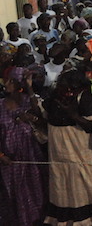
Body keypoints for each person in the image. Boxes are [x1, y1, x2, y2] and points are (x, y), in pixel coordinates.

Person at [42, 70, 92, 225]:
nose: (61, 85)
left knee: (85, 186)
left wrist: (74, 116)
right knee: (61, 187)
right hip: (58, 154)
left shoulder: (83, 97)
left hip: (80, 152)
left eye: (64, 82)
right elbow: (46, 119)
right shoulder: (55, 98)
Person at [0, 67, 46, 226]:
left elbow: (39, 116)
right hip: (9, 161)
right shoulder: (1, 105)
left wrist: (29, 87)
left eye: (12, 81)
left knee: (33, 192)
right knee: (11, 195)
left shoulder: (28, 101)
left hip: (29, 158)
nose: (7, 84)